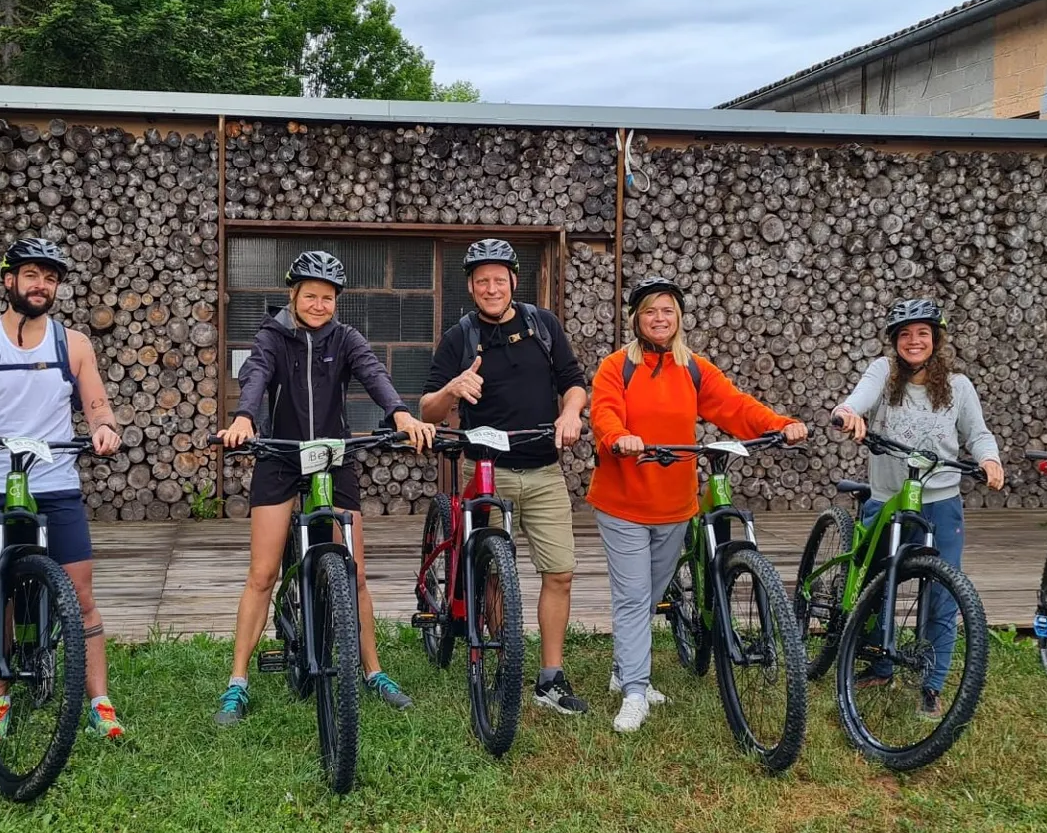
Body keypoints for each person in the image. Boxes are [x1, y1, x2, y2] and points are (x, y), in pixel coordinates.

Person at [213, 250, 435, 725]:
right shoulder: (273, 336)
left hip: (335, 457)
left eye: (328, 298)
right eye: (311, 295)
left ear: (337, 302)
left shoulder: (346, 338)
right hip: (278, 455)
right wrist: (244, 417)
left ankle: (374, 672)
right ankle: (237, 682)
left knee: (353, 572)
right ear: (293, 295)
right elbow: (255, 376)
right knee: (262, 572)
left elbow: (373, 373)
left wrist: (398, 410)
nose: (319, 304)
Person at [0, 237, 125, 740]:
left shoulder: (73, 344)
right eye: (32, 275)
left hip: (55, 482)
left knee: (80, 593)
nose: (41, 286)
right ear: (9, 280)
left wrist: (104, 427)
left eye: (50, 278)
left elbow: (97, 404)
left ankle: (100, 700)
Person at [588, 277, 807, 733]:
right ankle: (634, 691)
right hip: (623, 501)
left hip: (675, 504)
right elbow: (603, 412)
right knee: (632, 597)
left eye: (667, 311)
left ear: (679, 317)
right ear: (636, 319)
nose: (659, 318)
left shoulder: (693, 370)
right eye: (651, 311)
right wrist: (618, 437)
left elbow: (734, 407)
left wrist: (780, 424)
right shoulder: (616, 368)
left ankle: (622, 669)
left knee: (648, 593)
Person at [421, 239, 591, 716]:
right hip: (486, 468)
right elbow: (427, 409)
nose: (491, 288)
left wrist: (571, 414)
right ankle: (500, 657)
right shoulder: (459, 336)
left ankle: (550, 677)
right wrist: (452, 388)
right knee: (490, 572)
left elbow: (574, 382)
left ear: (514, 282)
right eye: (482, 281)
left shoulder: (543, 325)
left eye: (499, 279)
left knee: (559, 573)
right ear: (471, 287)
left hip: (543, 470)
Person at [831, 298, 1005, 717]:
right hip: (887, 497)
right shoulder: (883, 372)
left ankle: (932, 681)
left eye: (922, 333)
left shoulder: (958, 386)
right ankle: (878, 662)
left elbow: (977, 433)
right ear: (894, 341)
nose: (914, 341)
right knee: (874, 583)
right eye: (905, 334)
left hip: (941, 501)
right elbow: (859, 398)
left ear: (936, 340)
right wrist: (848, 412)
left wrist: (990, 459)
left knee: (944, 590)